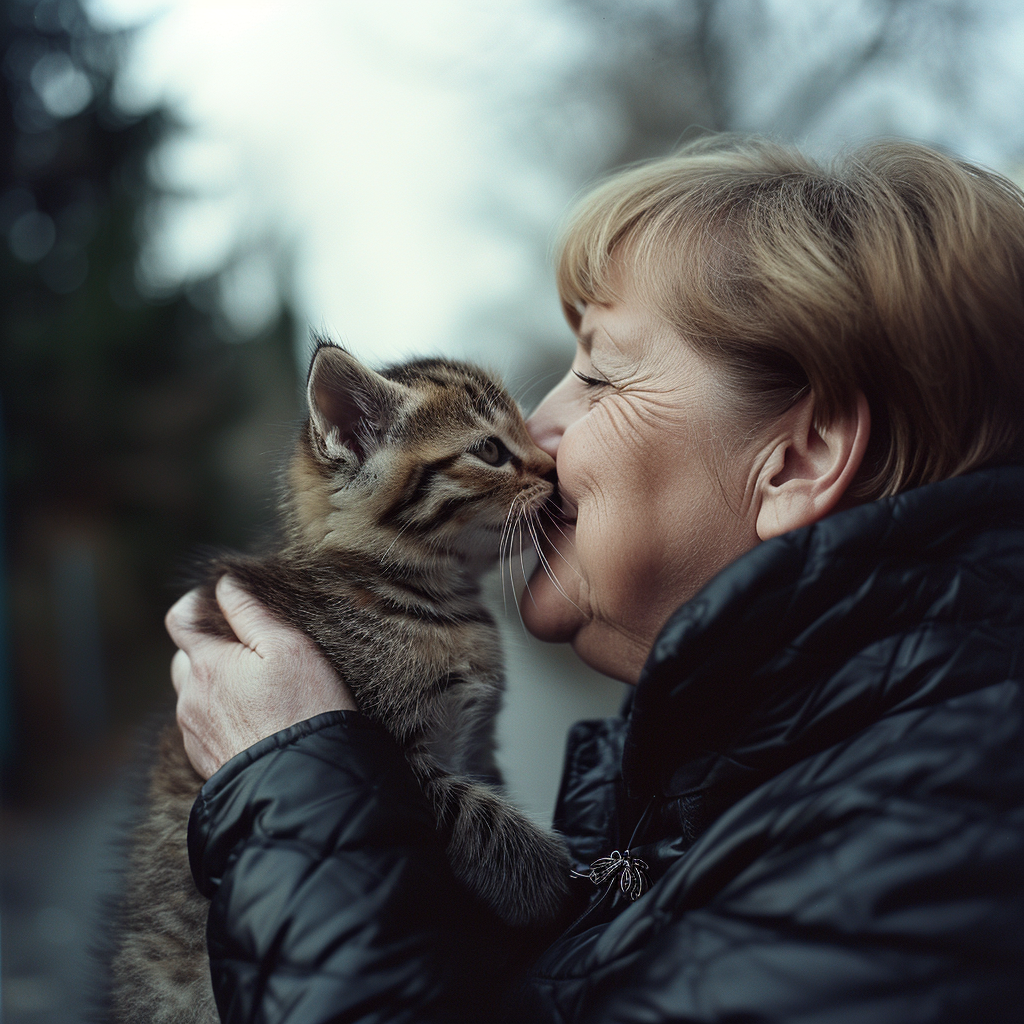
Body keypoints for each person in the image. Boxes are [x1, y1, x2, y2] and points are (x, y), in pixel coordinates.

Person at [167, 136, 1024, 1023]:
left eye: (601, 373)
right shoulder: (725, 779)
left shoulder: (930, 837)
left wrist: (296, 810)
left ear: (798, 458)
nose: (537, 433)